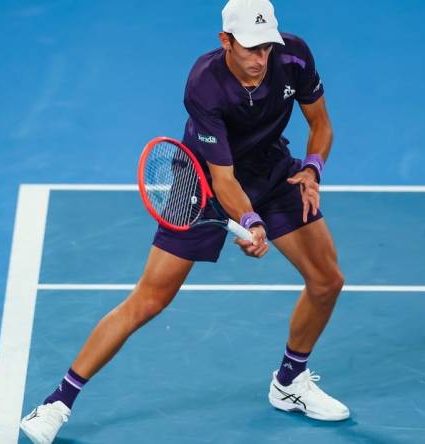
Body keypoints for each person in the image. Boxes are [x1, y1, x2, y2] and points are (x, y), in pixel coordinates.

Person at [20, 0, 348, 442]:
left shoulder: (294, 55)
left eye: (266, 48)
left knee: (327, 280)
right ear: (225, 41)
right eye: (249, 49)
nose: (259, 59)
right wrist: (250, 221)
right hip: (202, 187)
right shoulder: (204, 84)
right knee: (150, 299)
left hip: (272, 171)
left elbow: (321, 123)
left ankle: (289, 382)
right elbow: (224, 179)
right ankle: (58, 401)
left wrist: (312, 169)